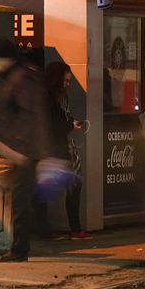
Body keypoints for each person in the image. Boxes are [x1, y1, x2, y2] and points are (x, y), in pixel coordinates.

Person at [0, 36, 50, 262]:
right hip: (22, 149)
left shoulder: (20, 77)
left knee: (20, 201)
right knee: (20, 199)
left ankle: (20, 249)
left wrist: (18, 148)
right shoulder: (16, 76)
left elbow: (29, 115)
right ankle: (20, 247)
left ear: (2, 59)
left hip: (24, 151)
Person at [34, 61, 90, 240]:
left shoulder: (58, 95)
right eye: (65, 81)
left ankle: (52, 229)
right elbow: (47, 125)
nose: (67, 84)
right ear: (56, 79)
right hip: (51, 147)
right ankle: (72, 229)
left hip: (59, 146)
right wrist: (69, 125)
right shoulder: (45, 97)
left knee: (49, 186)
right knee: (66, 184)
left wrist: (70, 122)